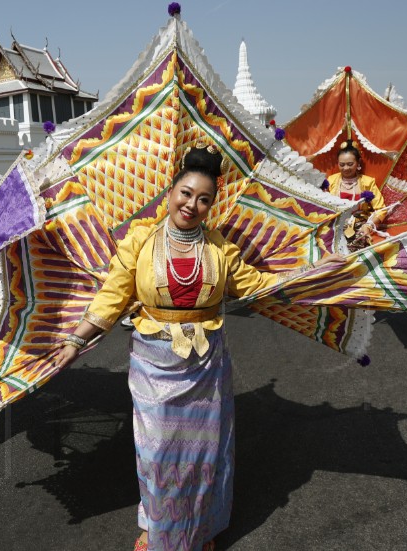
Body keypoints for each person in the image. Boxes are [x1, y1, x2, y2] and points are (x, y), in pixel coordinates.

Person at [52, 145, 344, 551]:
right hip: (153, 365)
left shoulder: (219, 250)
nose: (192, 204)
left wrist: (316, 271)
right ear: (170, 193)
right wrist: (76, 339)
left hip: (206, 368)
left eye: (204, 199)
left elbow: (256, 286)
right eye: (186, 193)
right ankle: (157, 528)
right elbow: (111, 296)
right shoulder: (139, 241)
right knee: (158, 457)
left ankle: (200, 529)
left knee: (202, 456)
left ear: (211, 205)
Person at [325, 140, 386, 250]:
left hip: (359, 226)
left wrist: (368, 225)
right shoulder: (331, 180)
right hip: (334, 225)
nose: (346, 168)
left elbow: (381, 209)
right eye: (342, 165)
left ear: (358, 163)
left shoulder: (368, 182)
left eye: (350, 164)